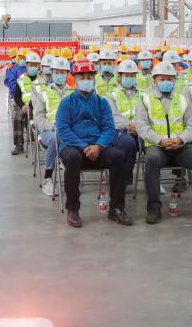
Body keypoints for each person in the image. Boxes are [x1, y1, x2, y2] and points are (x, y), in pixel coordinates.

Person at [137, 61, 192, 224]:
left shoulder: (183, 99)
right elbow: (142, 127)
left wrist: (181, 139)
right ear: (154, 80)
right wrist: (160, 140)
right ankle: (154, 207)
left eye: (170, 79)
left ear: (174, 80)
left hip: (180, 147)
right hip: (157, 147)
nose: (166, 82)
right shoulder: (145, 100)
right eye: (162, 79)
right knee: (151, 160)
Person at [56, 59, 132, 228]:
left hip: (98, 147)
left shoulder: (102, 103)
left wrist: (98, 146)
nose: (86, 80)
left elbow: (109, 128)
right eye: (82, 77)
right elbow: (63, 129)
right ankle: (73, 209)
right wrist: (83, 146)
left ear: (94, 78)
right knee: (73, 158)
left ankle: (117, 207)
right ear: (74, 79)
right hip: (73, 147)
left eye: (89, 77)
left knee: (118, 157)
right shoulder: (66, 103)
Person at [32, 56, 69, 197]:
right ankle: (48, 178)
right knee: (55, 139)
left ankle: (72, 177)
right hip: (50, 131)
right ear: (52, 72)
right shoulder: (44, 93)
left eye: (63, 72)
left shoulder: (74, 93)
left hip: (69, 131)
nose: (60, 75)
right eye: (57, 72)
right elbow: (38, 117)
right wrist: (51, 125)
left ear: (67, 74)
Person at [105, 59, 143, 187]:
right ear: (119, 77)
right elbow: (112, 116)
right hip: (119, 130)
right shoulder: (111, 95)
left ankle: (153, 179)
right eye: (126, 75)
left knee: (154, 145)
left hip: (140, 129)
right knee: (128, 144)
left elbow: (148, 112)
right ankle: (124, 179)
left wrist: (139, 126)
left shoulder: (143, 94)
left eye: (132, 75)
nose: (129, 78)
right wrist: (129, 125)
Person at [11, 51, 42, 155]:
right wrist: (23, 105)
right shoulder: (20, 79)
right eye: (31, 65)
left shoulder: (42, 80)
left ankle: (42, 140)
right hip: (25, 107)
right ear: (27, 66)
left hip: (40, 107)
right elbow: (16, 97)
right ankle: (19, 145)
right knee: (17, 116)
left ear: (39, 66)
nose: (33, 67)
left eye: (35, 65)